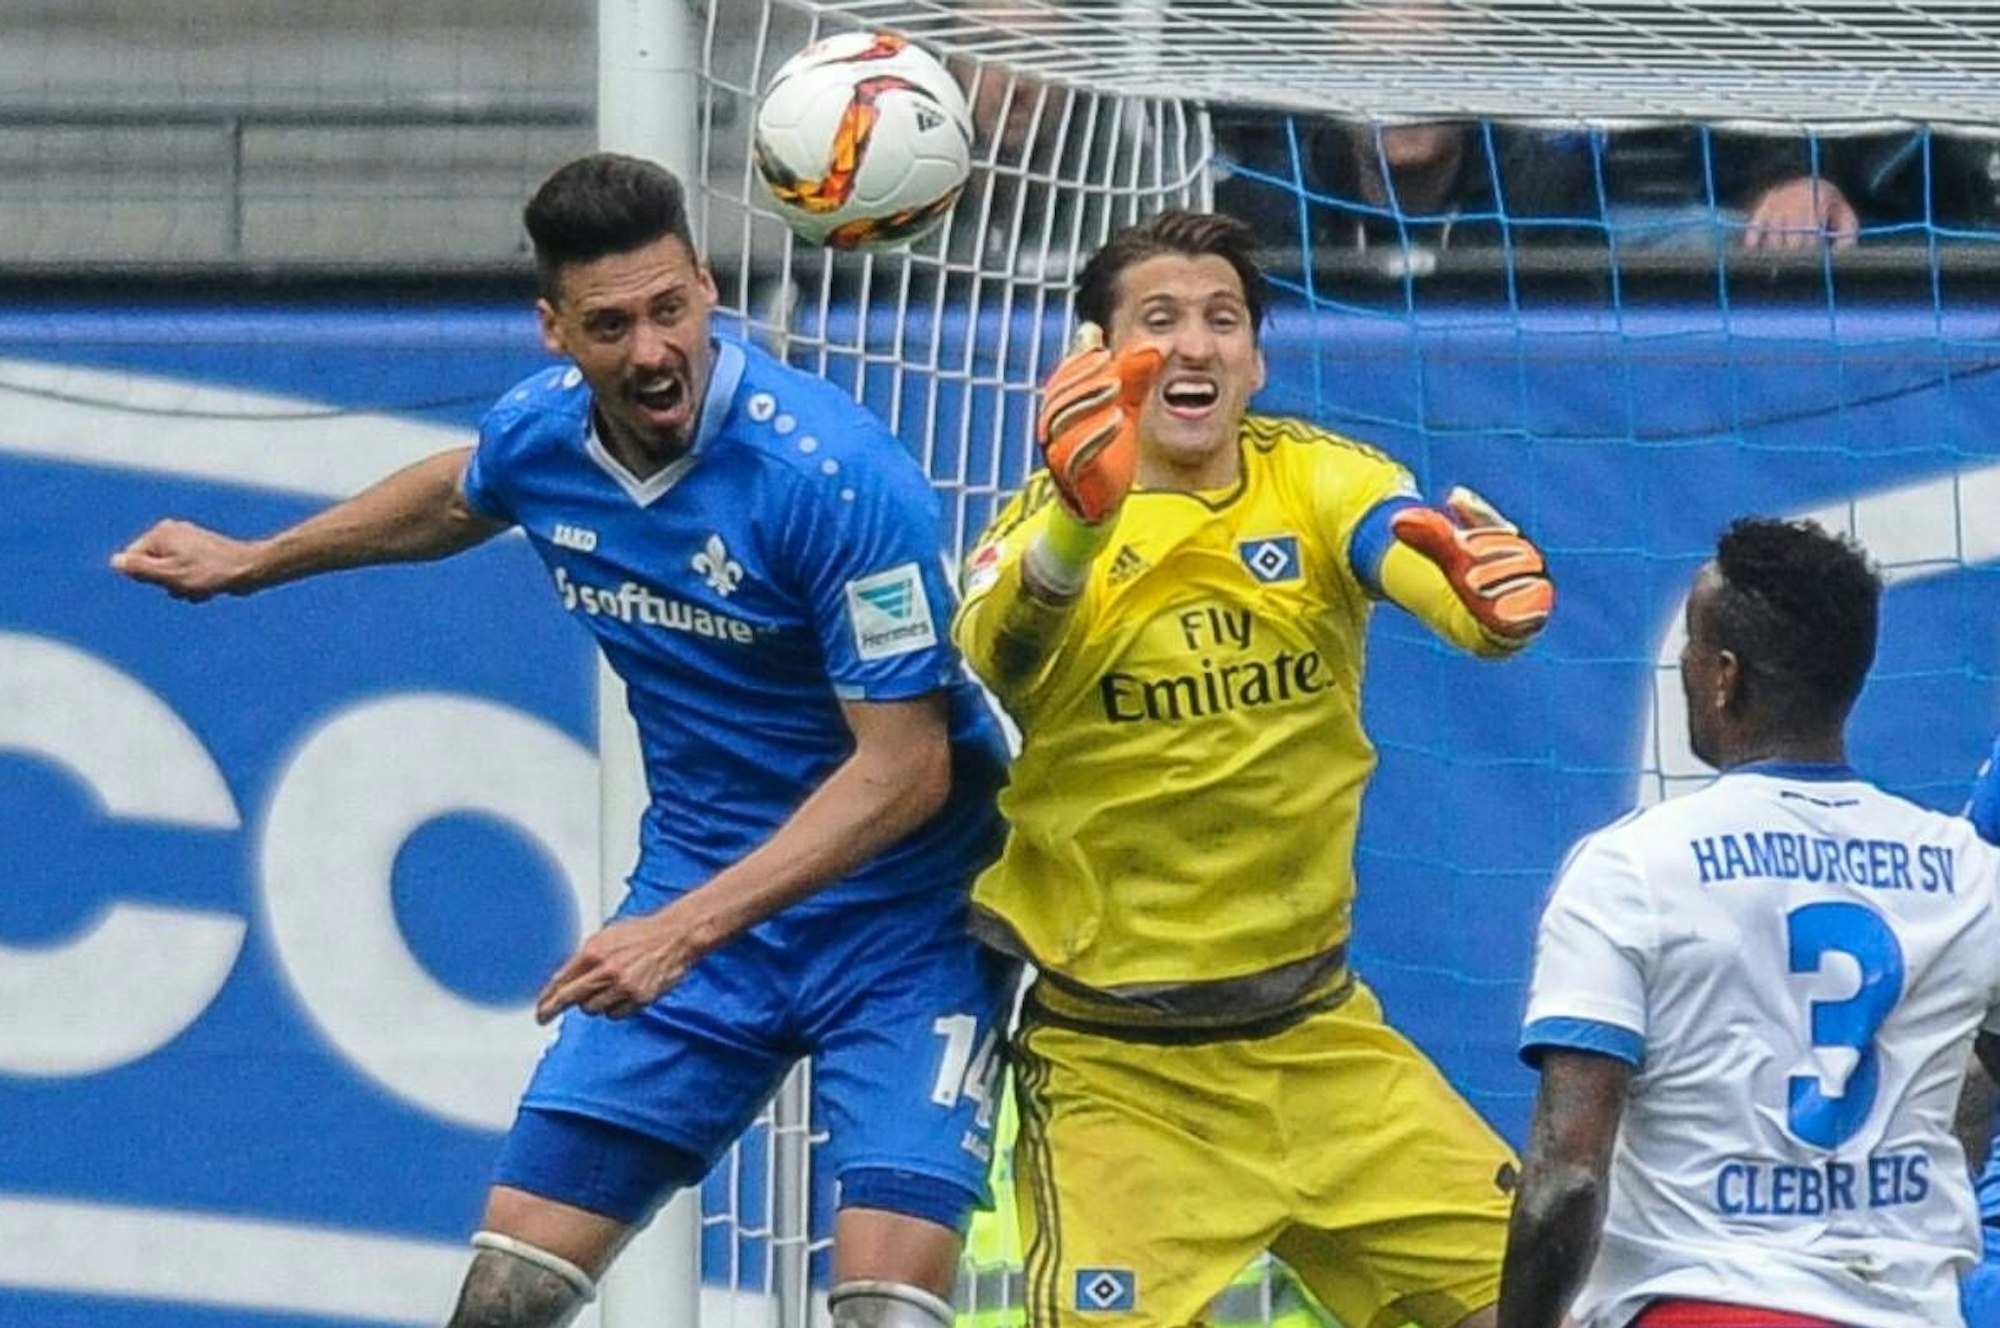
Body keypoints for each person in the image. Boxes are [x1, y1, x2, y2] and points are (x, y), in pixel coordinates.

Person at [111, 151, 1018, 1328]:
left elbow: (904, 772)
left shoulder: (837, 480)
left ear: (705, 285)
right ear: (553, 330)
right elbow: (456, 493)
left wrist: (675, 933)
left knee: (883, 1312)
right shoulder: (545, 436)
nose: (651, 351)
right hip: (702, 897)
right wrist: (253, 560)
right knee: (502, 1298)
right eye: (610, 324)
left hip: (906, 923)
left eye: (669, 309)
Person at [952, 208, 1557, 1328]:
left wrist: (1485, 607)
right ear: (1093, 358)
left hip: (1320, 1042)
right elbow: (1004, 653)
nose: (1193, 346)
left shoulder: (1316, 478)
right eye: (1159, 320)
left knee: (1538, 1306)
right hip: (1122, 1077)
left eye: (1221, 320)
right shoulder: (1038, 534)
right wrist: (1080, 530)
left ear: (1255, 357)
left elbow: (1400, 540)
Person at [1501, 517, 2000, 1328]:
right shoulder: (1972, 875)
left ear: (1725, 677)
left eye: (1692, 649)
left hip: (1705, 1305)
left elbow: (1568, 1175)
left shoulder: (1634, 868)